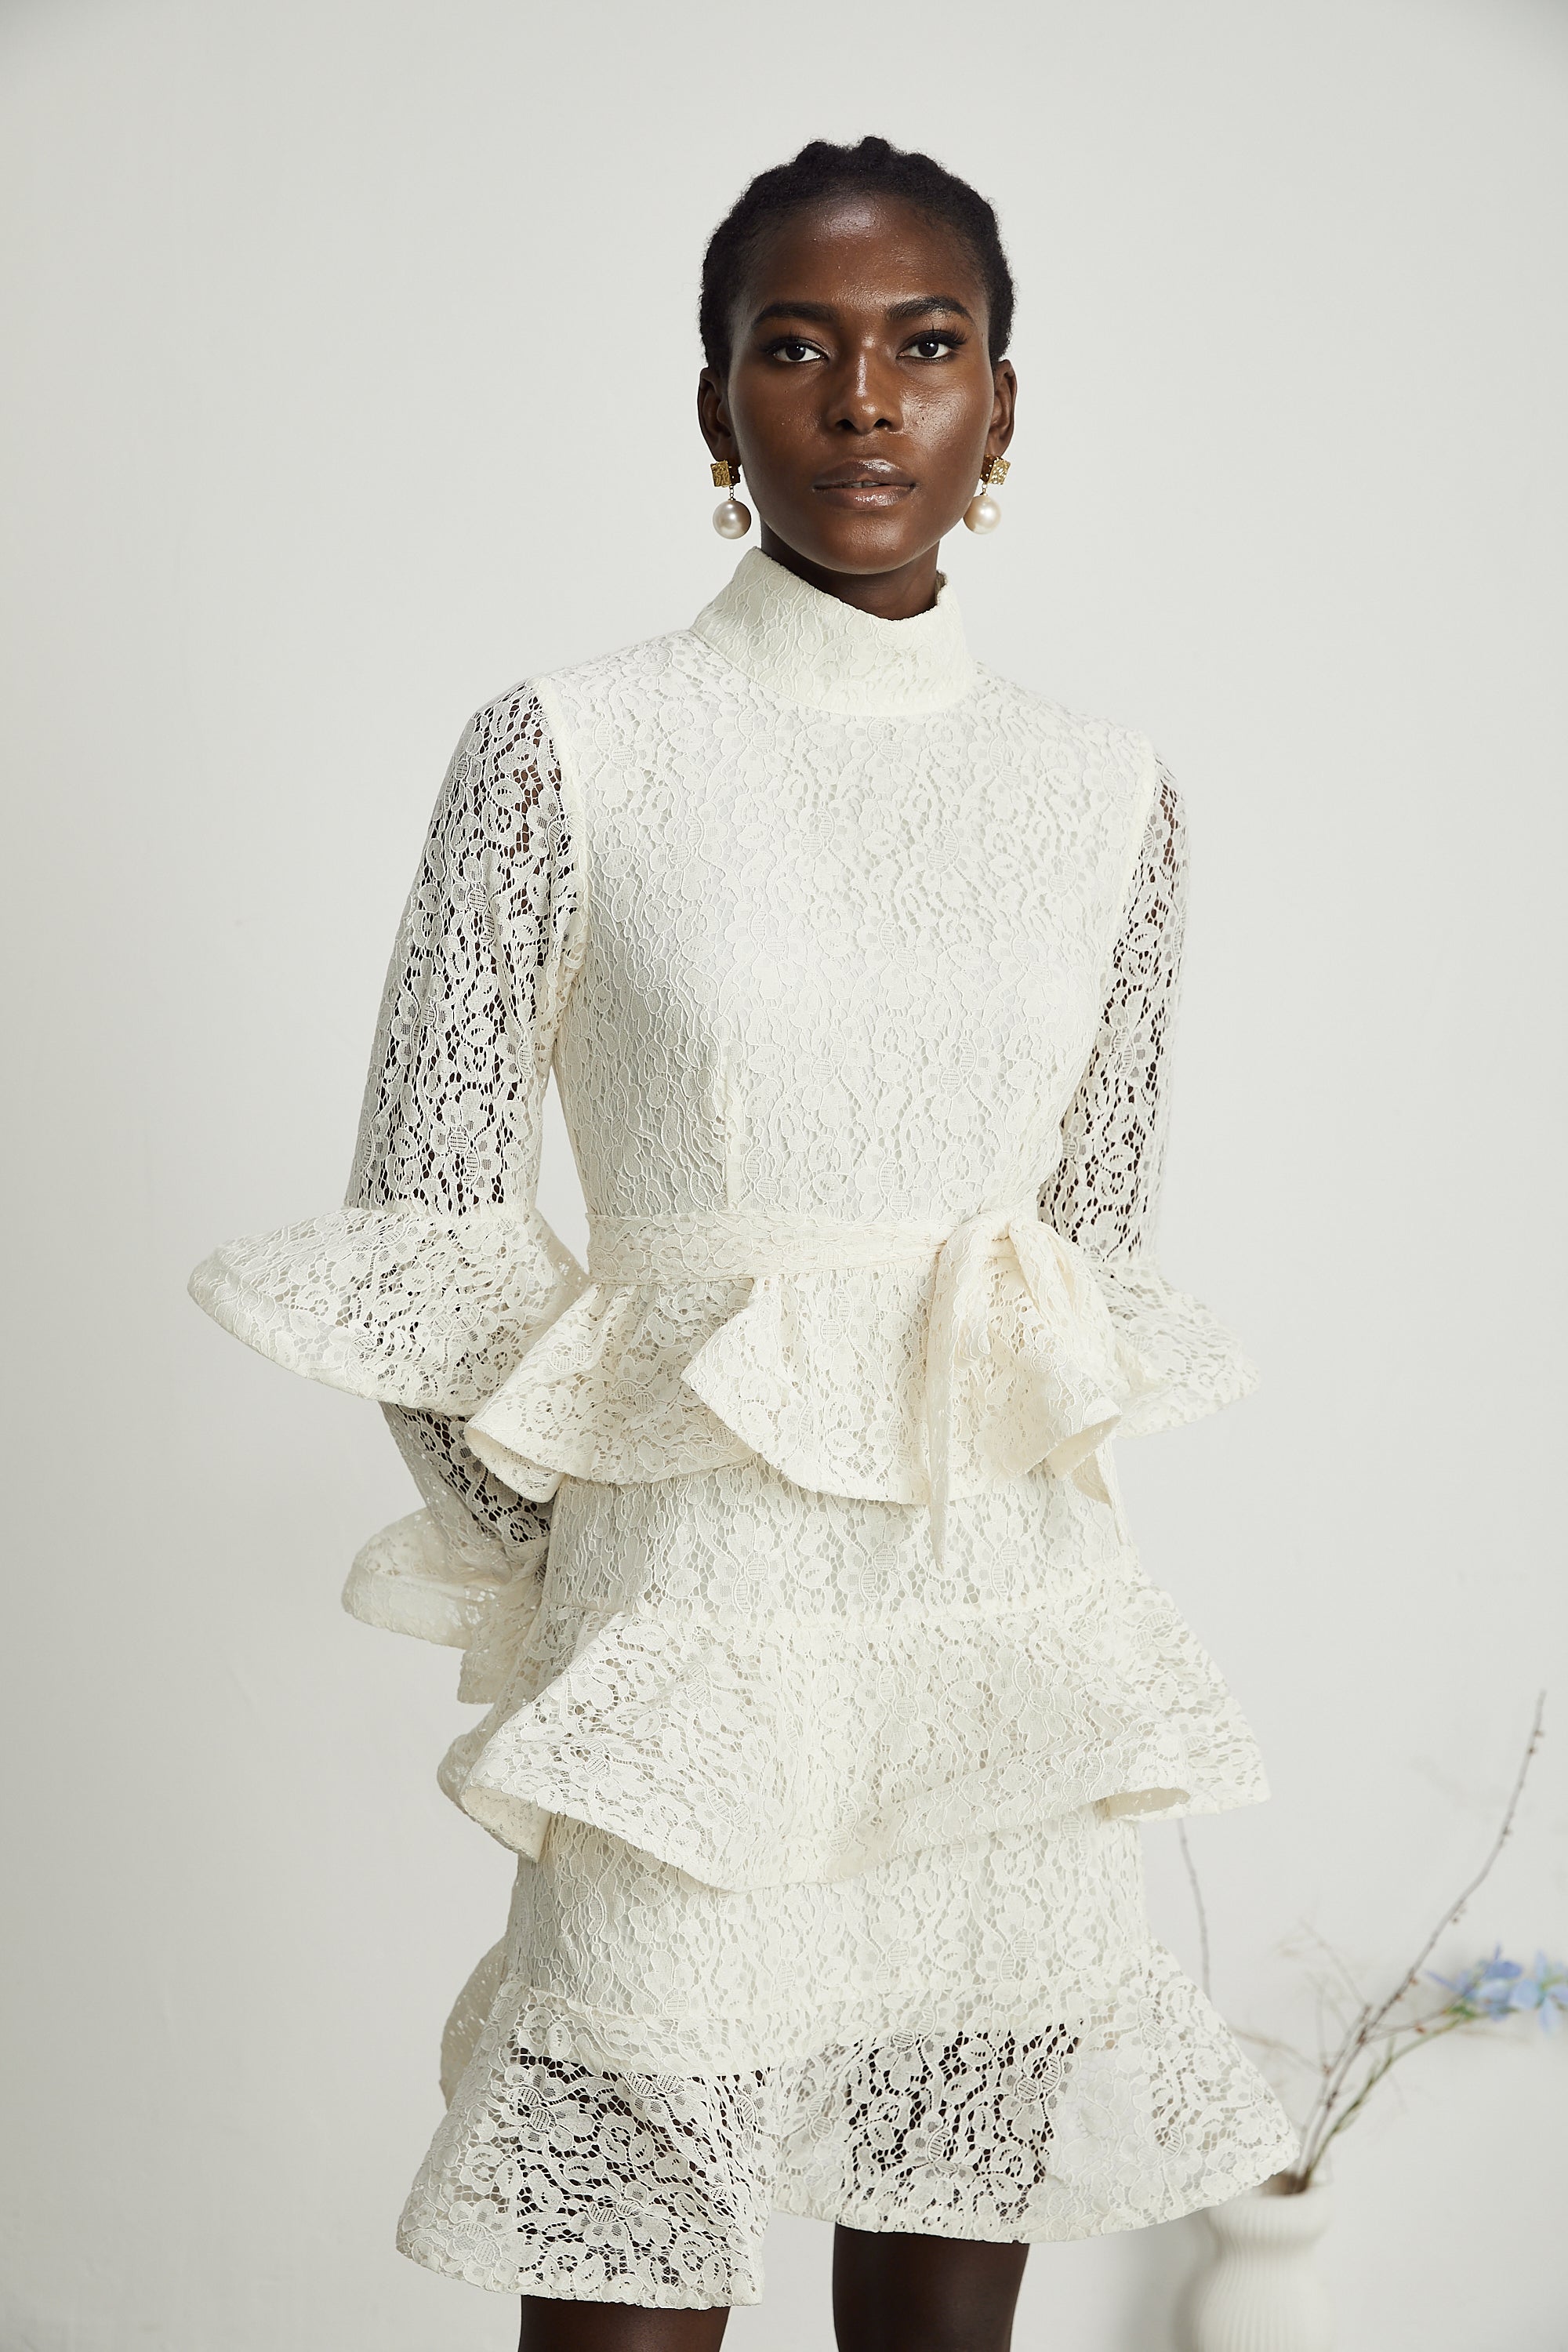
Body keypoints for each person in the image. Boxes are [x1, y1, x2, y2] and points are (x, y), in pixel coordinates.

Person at [191, 135, 1296, 2352]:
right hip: (688, 1660)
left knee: (943, 2328)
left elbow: (1080, 1272)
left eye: (925, 345)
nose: (864, 400)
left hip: (992, 1664)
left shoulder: (1114, 798)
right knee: (620, 2299)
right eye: (796, 347)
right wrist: (592, 1557)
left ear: (1002, 403)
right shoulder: (566, 753)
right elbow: (427, 1233)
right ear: (715, 407)